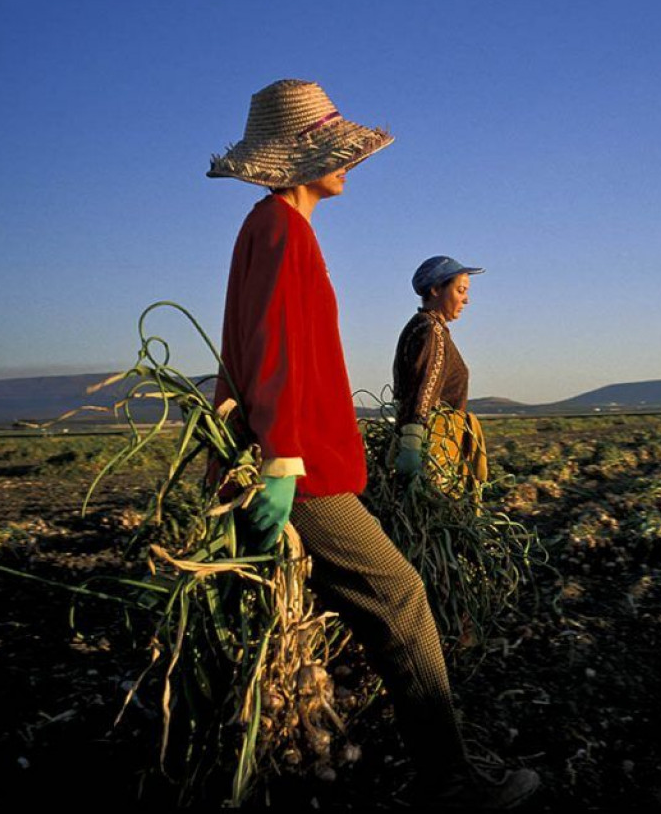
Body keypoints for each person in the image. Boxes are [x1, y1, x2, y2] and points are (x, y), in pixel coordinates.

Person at [207, 79, 537, 808]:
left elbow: (243, 354)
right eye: (334, 149)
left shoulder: (270, 228)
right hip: (303, 470)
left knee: (366, 610)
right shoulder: (281, 231)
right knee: (404, 597)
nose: (348, 161)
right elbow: (270, 353)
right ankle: (451, 783)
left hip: (295, 462)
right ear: (297, 157)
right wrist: (281, 462)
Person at [392, 256, 489, 495]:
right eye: (460, 290)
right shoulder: (431, 330)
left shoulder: (425, 327)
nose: (466, 299)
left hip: (434, 441)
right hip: (436, 446)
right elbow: (425, 384)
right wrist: (412, 444)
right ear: (435, 290)